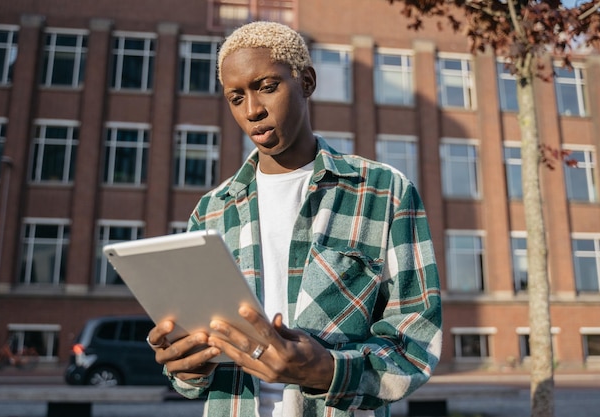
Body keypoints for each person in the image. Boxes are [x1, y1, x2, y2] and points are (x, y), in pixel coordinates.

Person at [146, 21, 442, 417]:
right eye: (236, 98)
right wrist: (187, 366)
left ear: (306, 82)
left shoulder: (385, 191)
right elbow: (192, 380)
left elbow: (415, 345)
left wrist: (325, 370)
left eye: (267, 87)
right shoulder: (211, 211)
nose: (252, 110)